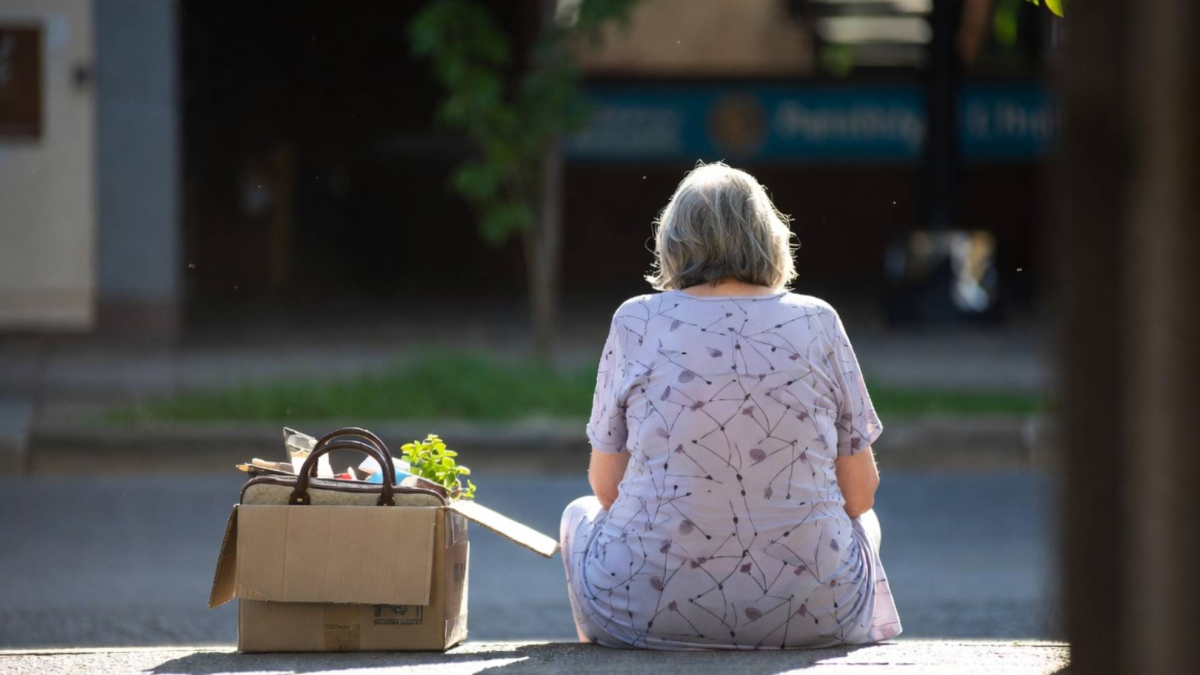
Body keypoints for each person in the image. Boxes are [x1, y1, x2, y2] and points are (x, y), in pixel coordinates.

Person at [559, 162, 902, 650]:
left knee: (580, 512)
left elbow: (606, 489)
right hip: (819, 619)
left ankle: (617, 650)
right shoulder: (818, 320)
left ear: (674, 242)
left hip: (641, 613)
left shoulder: (635, 320)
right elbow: (860, 497)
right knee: (865, 523)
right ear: (769, 239)